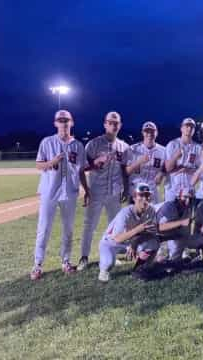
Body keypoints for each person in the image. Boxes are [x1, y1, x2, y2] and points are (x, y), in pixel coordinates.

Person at [31, 110, 90, 280]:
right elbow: (38, 165)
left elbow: (80, 171)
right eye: (60, 120)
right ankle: (37, 264)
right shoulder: (47, 142)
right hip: (49, 191)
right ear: (55, 123)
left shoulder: (78, 145)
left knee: (68, 229)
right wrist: (52, 163)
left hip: (70, 192)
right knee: (44, 228)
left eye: (66, 119)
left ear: (72, 122)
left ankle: (65, 261)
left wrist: (86, 190)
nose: (63, 122)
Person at [78, 111, 130, 270]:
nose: (114, 125)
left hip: (114, 191)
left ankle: (112, 254)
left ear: (120, 125)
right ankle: (84, 257)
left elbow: (124, 170)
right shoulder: (93, 144)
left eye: (116, 123)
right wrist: (95, 163)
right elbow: (82, 168)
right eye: (111, 122)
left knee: (115, 225)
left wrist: (126, 189)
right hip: (96, 191)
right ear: (105, 124)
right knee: (90, 224)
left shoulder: (124, 146)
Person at [98, 183, 159, 282]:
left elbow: (151, 233)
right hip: (110, 242)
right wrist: (137, 230)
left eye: (147, 195)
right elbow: (117, 238)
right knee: (108, 263)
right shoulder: (125, 213)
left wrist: (135, 242)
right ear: (134, 197)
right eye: (141, 195)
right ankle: (103, 269)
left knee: (154, 242)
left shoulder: (151, 211)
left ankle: (139, 269)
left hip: (130, 241)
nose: (144, 198)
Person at [126, 121, 166, 203]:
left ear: (156, 133)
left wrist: (162, 173)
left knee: (153, 215)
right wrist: (139, 162)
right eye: (147, 131)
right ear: (142, 133)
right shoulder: (133, 149)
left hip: (153, 190)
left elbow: (167, 166)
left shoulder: (163, 151)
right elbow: (126, 171)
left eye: (152, 131)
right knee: (134, 215)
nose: (149, 134)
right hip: (136, 189)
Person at [164, 118, 202, 201]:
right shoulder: (172, 144)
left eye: (192, 127)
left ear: (194, 130)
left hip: (189, 188)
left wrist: (186, 169)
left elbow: (201, 170)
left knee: (188, 213)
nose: (189, 128)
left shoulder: (198, 147)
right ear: (181, 128)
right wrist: (175, 157)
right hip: (172, 189)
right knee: (170, 212)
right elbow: (167, 168)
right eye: (187, 126)